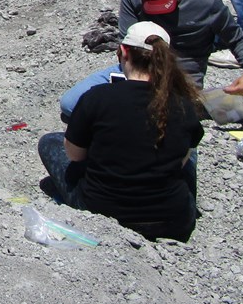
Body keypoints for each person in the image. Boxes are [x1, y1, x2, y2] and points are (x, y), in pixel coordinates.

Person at [38, 21, 204, 242]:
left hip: (103, 211)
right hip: (174, 221)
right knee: (190, 152)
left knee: (50, 142)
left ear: (124, 53)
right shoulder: (182, 104)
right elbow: (182, 161)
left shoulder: (98, 97)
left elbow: (74, 155)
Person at [59, 0, 243, 121]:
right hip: (135, 71)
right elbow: (126, 44)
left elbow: (237, 39)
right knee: (70, 104)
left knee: (143, 118)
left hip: (180, 79)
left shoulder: (206, 3)